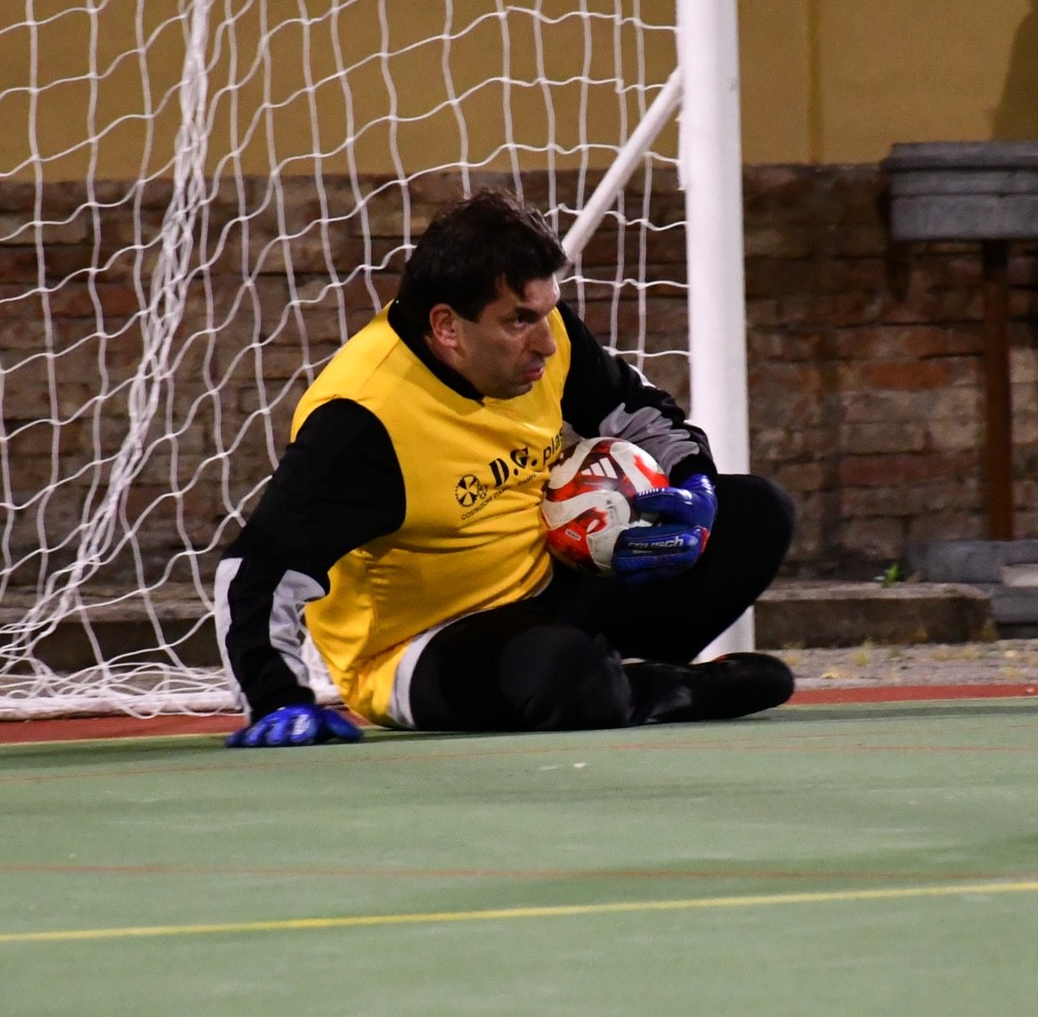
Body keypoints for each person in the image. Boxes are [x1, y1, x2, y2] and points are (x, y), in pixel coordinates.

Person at [213, 189, 796, 746]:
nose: (546, 341)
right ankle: (659, 688)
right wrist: (276, 698)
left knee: (756, 514)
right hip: (423, 647)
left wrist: (695, 485)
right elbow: (256, 568)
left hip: (548, 587)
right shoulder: (365, 420)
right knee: (567, 677)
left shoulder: (546, 336)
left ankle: (617, 681)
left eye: (547, 311)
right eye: (519, 320)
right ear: (447, 327)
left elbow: (639, 410)